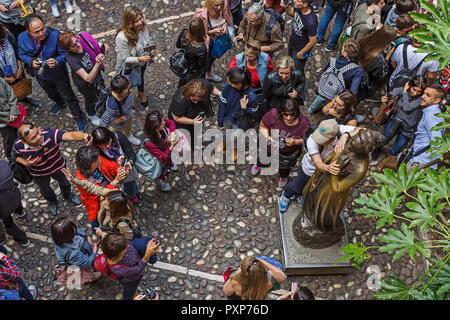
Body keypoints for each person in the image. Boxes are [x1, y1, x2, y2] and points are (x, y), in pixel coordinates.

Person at [18, 15, 86, 131]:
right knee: (50, 93)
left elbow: (66, 54)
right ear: (28, 31)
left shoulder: (55, 35)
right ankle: (60, 103)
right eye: (36, 32)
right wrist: (30, 61)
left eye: (42, 29)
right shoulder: (21, 37)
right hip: (40, 74)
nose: (41, 33)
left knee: (68, 96)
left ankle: (79, 117)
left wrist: (57, 61)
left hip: (58, 73)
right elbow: (21, 53)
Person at [278, 119, 361, 212]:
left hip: (324, 172)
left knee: (310, 188)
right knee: (297, 186)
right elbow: (318, 162)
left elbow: (362, 130)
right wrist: (328, 167)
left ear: (333, 138)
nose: (318, 140)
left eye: (322, 139)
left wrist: (346, 135)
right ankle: (285, 196)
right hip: (310, 169)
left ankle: (300, 195)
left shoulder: (338, 130)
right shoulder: (311, 141)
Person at [12, 122, 85, 215]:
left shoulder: (49, 134)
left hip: (58, 167)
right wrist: (26, 162)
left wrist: (85, 136)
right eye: (33, 138)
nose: (39, 137)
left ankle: (67, 194)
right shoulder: (18, 145)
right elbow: (15, 156)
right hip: (38, 173)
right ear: (24, 142)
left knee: (65, 182)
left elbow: (70, 135)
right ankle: (52, 201)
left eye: (38, 132)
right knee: (45, 189)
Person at [62, 167, 136, 241]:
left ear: (115, 209)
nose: (104, 203)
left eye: (107, 205)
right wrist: (73, 180)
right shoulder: (110, 194)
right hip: (103, 221)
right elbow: (92, 187)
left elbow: (127, 239)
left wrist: (103, 234)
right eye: (105, 200)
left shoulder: (122, 223)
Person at [251, 99, 310, 188]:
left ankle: (283, 176)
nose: (289, 117)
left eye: (292, 114)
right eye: (286, 114)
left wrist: (295, 142)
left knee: (284, 167)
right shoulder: (273, 114)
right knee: (263, 157)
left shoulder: (304, 123)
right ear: (281, 112)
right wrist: (268, 137)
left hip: (287, 152)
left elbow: (308, 139)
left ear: (296, 112)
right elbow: (263, 126)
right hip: (269, 146)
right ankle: (259, 165)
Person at [372, 76, 427, 170]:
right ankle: (377, 148)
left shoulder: (420, 99)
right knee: (384, 139)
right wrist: (386, 98)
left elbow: (407, 107)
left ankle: (386, 161)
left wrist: (405, 92)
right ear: (410, 85)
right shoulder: (403, 90)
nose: (415, 93)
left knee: (396, 149)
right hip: (395, 120)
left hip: (408, 127)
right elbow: (392, 94)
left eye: (418, 91)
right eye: (414, 89)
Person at [58, 31, 108, 126]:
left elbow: (102, 46)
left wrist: (102, 50)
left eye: (77, 41)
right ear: (68, 49)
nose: (78, 45)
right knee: (90, 99)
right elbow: (88, 78)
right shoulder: (71, 59)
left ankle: (103, 107)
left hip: (97, 76)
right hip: (85, 84)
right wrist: (97, 64)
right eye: (73, 45)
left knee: (102, 92)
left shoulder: (83, 41)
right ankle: (91, 115)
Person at [74, 146, 128, 231]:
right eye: (96, 161)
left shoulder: (96, 158)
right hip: (96, 204)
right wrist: (115, 182)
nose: (99, 160)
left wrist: (119, 170)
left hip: (108, 192)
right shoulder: (81, 180)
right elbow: (97, 195)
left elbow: (110, 165)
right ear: (88, 165)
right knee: (97, 221)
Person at [308, 38, 364, 113]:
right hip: (338, 95)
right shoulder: (357, 70)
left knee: (319, 100)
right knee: (334, 105)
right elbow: (353, 92)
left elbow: (325, 72)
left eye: (343, 47)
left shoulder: (333, 61)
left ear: (345, 54)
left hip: (325, 90)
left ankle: (311, 110)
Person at [101, 232, 160, 300]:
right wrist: (147, 255)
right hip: (131, 280)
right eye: (125, 250)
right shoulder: (120, 270)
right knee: (130, 291)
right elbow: (138, 268)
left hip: (134, 264)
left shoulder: (119, 244)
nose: (128, 245)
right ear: (118, 256)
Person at [115, 6, 154, 108]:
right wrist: (140, 59)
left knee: (140, 77)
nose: (140, 23)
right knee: (128, 82)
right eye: (136, 21)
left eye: (141, 19)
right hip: (131, 65)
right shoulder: (121, 37)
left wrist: (150, 50)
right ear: (128, 22)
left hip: (142, 61)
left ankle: (141, 93)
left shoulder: (143, 27)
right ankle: (128, 98)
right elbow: (125, 58)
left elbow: (147, 41)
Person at [89, 126, 139, 203]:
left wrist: (130, 162)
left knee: (130, 182)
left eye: (108, 142)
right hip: (111, 171)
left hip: (125, 166)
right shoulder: (94, 149)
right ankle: (131, 194)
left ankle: (132, 194)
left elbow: (131, 154)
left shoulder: (119, 136)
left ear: (110, 136)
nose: (107, 146)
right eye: (102, 146)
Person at [217, 67, 259, 156]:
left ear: (240, 84)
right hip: (227, 118)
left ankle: (235, 149)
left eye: (231, 83)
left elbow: (255, 112)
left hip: (240, 123)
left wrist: (245, 108)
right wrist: (220, 120)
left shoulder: (252, 97)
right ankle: (224, 142)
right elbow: (222, 103)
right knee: (224, 132)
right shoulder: (228, 87)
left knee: (236, 138)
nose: (229, 84)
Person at [0, 23, 42, 109]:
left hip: (16, 70)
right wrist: (4, 78)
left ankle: (25, 99)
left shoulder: (8, 37)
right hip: (2, 77)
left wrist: (19, 68)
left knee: (21, 87)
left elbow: (17, 52)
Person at [168, 78, 221, 147]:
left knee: (196, 131)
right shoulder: (179, 101)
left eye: (198, 100)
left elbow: (211, 88)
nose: (196, 102)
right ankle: (189, 146)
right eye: (194, 99)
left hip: (195, 116)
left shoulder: (203, 84)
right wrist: (192, 121)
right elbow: (176, 117)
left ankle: (195, 142)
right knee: (187, 134)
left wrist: (220, 94)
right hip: (183, 121)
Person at [405, 85, 446, 170]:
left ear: (437, 100)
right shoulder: (433, 112)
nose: (422, 96)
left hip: (419, 163)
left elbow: (436, 143)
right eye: (423, 93)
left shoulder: (431, 116)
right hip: (418, 158)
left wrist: (427, 168)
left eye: (428, 95)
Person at [51, 216, 102, 283]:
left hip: (83, 253)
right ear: (68, 236)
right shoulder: (73, 254)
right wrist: (94, 252)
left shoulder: (58, 237)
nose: (75, 230)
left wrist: (86, 237)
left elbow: (79, 233)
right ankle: (91, 278)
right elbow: (87, 263)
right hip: (83, 259)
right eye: (72, 230)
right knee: (91, 273)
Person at [193, 0, 233, 83]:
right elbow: (198, 32)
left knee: (212, 57)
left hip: (218, 39)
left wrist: (225, 26)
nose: (219, 8)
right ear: (210, 4)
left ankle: (208, 74)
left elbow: (227, 18)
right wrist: (213, 31)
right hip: (206, 41)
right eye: (216, 5)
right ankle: (202, 78)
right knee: (205, 59)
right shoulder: (201, 15)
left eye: (221, 5)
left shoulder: (225, 6)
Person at [99, 75, 141, 146]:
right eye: (128, 90)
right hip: (117, 126)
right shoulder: (112, 106)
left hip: (128, 117)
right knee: (118, 137)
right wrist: (118, 120)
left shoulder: (127, 92)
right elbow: (103, 122)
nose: (131, 90)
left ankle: (128, 136)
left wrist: (131, 104)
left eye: (130, 87)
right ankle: (120, 145)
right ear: (119, 93)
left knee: (128, 128)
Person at [143, 110, 178, 192]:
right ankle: (160, 185)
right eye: (162, 123)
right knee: (158, 174)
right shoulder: (149, 143)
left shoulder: (160, 123)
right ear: (155, 127)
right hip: (158, 161)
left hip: (167, 153)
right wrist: (172, 147)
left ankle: (170, 165)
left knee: (169, 161)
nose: (164, 123)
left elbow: (171, 123)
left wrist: (171, 134)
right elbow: (162, 157)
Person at [223, 255, 287, 300]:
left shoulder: (234, 281)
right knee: (277, 266)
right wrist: (259, 261)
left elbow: (226, 292)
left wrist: (238, 272)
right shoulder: (268, 282)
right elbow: (283, 276)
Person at [282, 0, 318, 74]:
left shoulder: (311, 22)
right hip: (292, 42)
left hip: (300, 49)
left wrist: (301, 53)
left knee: (297, 72)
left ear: (304, 4)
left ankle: (296, 84)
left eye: (298, 1)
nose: (294, 1)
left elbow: (313, 42)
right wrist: (287, 7)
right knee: (289, 63)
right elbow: (292, 13)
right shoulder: (299, 7)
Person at [0, 160, 30, 248]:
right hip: (14, 196)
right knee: (18, 206)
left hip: (2, 209)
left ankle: (24, 240)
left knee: (9, 225)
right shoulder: (3, 166)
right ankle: (21, 212)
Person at [175, 17, 208, 87]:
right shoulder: (202, 48)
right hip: (193, 70)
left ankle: (180, 89)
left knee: (183, 79)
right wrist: (207, 47)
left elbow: (178, 45)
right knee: (191, 83)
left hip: (183, 63)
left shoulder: (184, 32)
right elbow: (201, 65)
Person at [0, 76, 20, 161]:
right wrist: (9, 116)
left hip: (13, 115)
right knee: (9, 139)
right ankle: (9, 156)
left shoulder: (0, 81)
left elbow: (10, 93)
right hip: (3, 121)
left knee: (17, 133)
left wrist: (14, 111)